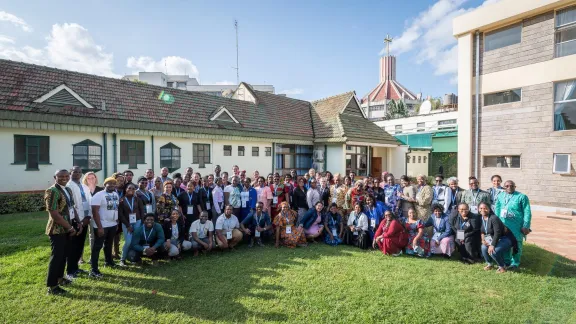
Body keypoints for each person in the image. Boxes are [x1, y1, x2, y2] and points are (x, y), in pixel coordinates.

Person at [45, 169, 78, 295]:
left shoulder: (68, 189)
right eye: (60, 176)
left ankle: (60, 278)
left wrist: (77, 222)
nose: (64, 178)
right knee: (57, 257)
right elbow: (54, 214)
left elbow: (71, 208)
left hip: (68, 227)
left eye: (66, 176)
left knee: (64, 255)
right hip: (57, 229)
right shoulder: (52, 191)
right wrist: (69, 228)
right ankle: (52, 286)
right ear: (55, 177)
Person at [494, 180, 532, 270]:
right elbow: (497, 209)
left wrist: (526, 226)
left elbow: (527, 212)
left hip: (516, 225)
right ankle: (507, 261)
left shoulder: (522, 197)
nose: (509, 187)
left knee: (517, 243)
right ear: (504, 187)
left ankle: (515, 263)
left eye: (511, 186)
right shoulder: (500, 196)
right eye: (507, 186)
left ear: (515, 187)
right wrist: (496, 223)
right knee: (505, 242)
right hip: (503, 225)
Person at [90, 176, 120, 278]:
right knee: (97, 246)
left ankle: (109, 262)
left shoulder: (115, 194)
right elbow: (95, 212)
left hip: (112, 224)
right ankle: (94, 269)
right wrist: (99, 227)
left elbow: (115, 209)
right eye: (109, 183)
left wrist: (116, 222)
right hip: (102, 225)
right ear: (105, 184)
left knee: (109, 244)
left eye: (114, 183)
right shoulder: (99, 195)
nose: (112, 185)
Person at [65, 166, 92, 278]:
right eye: (74, 172)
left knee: (80, 245)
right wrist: (78, 220)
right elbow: (70, 206)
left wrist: (88, 217)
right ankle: (70, 271)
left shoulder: (84, 186)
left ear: (81, 174)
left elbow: (89, 202)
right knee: (73, 246)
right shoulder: (68, 186)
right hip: (75, 220)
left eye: (79, 172)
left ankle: (76, 268)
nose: (77, 173)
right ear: (71, 173)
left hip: (85, 219)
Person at [479, 202, 513, 273]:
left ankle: (502, 266)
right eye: (481, 208)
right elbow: (482, 231)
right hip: (492, 238)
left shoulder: (493, 218)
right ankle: (490, 264)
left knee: (493, 251)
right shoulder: (481, 218)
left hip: (505, 239)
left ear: (489, 209)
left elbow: (497, 233)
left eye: (485, 208)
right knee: (483, 247)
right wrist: (483, 240)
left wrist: (492, 245)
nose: (483, 210)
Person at [118, 183, 145, 266]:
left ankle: (135, 258)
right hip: (127, 223)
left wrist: (142, 223)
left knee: (135, 241)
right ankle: (122, 259)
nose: (131, 190)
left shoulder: (137, 199)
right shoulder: (122, 200)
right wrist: (127, 225)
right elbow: (120, 214)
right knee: (128, 241)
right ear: (126, 189)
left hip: (137, 222)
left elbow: (142, 211)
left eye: (133, 189)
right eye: (129, 188)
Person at [81, 171, 102, 263]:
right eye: (88, 178)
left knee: (92, 236)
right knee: (80, 237)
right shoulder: (82, 189)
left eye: (92, 178)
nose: (90, 180)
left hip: (95, 216)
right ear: (85, 179)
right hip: (83, 216)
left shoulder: (100, 189)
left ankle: (92, 257)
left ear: (96, 179)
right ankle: (80, 258)